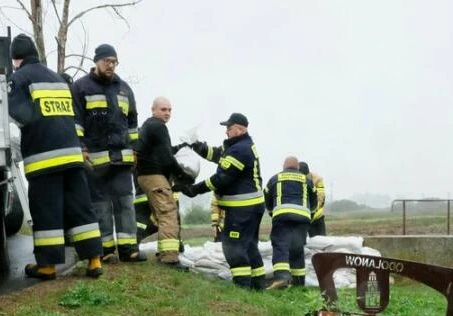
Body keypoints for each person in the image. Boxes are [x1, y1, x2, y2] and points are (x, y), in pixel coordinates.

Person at [7, 33, 103, 281]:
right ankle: (94, 260)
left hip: (44, 157)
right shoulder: (58, 79)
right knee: (81, 208)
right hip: (71, 155)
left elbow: (17, 113)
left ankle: (48, 266)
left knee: (46, 210)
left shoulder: (18, 78)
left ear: (16, 59)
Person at [71, 43, 145, 263]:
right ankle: (106, 250)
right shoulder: (80, 88)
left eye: (114, 62)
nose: (111, 66)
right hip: (96, 161)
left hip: (122, 159)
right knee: (101, 205)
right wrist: (81, 148)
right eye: (107, 62)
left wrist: (135, 149)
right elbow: (75, 122)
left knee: (125, 203)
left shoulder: (124, 89)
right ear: (97, 62)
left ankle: (128, 248)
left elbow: (132, 122)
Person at [177, 113, 265, 289]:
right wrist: (196, 145)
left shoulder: (240, 150)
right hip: (250, 207)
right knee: (249, 246)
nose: (226, 132)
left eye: (229, 128)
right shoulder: (239, 146)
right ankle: (258, 285)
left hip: (242, 208)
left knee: (233, 247)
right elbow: (217, 155)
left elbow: (222, 178)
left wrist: (195, 189)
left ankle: (242, 286)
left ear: (240, 129)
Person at [135, 97, 192, 267]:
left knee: (159, 216)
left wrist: (179, 148)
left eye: (169, 110)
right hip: (154, 176)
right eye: (163, 109)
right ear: (153, 110)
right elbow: (166, 158)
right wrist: (181, 175)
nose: (167, 113)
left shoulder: (148, 126)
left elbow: (161, 152)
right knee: (168, 213)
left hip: (145, 176)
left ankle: (162, 252)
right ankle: (169, 258)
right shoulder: (158, 126)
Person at [264, 156, 317, 289]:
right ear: (298, 167)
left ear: (284, 167)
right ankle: (298, 283)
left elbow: (266, 198)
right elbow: (315, 203)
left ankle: (282, 278)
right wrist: (309, 216)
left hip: (282, 217)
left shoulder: (275, 179)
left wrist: (272, 213)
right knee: (297, 249)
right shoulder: (307, 180)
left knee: (280, 246)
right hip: (302, 219)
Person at [299, 161, 327, 237]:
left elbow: (321, 198)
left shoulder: (317, 179)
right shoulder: (294, 181)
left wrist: (312, 213)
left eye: (306, 177)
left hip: (316, 217)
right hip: (300, 218)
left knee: (321, 243)